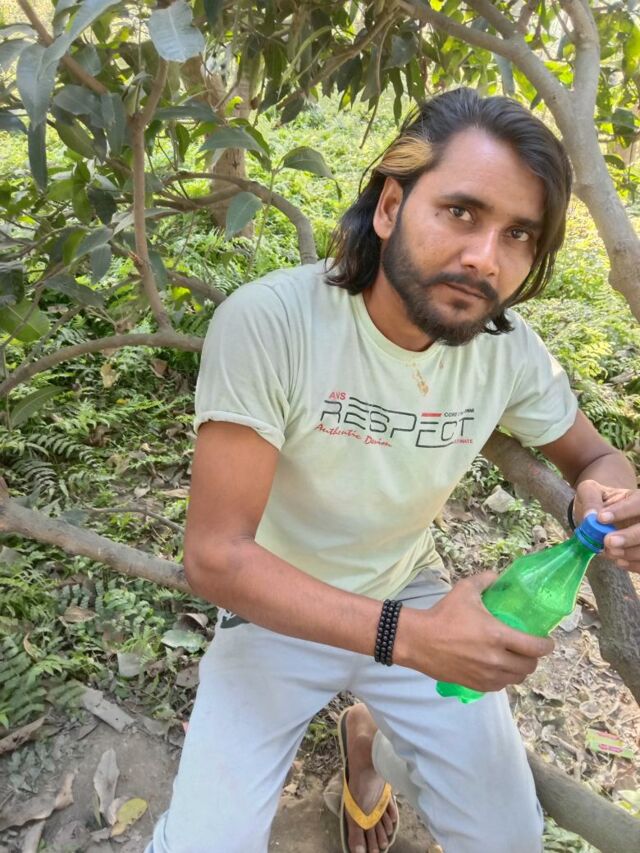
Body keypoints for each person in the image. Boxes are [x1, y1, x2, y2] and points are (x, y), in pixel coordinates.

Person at [146, 88, 639, 853]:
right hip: (273, 604)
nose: (485, 257)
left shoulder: (506, 351)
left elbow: (594, 455)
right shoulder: (273, 322)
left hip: (405, 587)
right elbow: (216, 556)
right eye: (461, 211)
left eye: (518, 234)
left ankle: (369, 745)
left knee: (508, 838)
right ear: (389, 207)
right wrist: (408, 639)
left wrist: (608, 496)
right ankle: (373, 729)